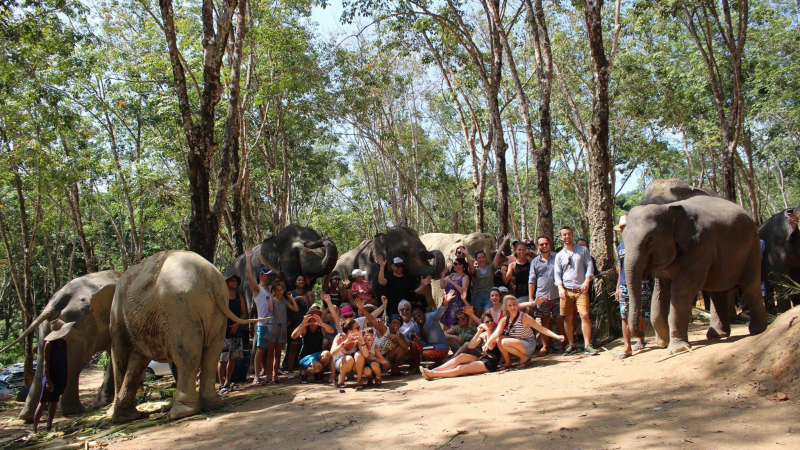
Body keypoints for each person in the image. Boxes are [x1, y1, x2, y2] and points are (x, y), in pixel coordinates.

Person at [554, 226, 598, 355]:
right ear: (561, 238)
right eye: (564, 235)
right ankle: (571, 344)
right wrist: (560, 288)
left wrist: (587, 281)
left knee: (584, 314)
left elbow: (589, 266)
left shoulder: (583, 250)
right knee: (567, 318)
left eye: (569, 234)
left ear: (572, 235)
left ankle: (587, 345)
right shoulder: (559, 255)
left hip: (581, 288)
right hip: (566, 290)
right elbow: (557, 273)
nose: (567, 237)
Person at [419, 312, 502, 380]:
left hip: (490, 362)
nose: (490, 323)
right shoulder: (483, 334)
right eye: (487, 322)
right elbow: (471, 346)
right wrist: (478, 332)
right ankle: (432, 371)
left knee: (461, 368)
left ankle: (433, 374)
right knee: (461, 356)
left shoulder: (495, 333)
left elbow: (491, 347)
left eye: (491, 320)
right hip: (481, 357)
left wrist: (487, 330)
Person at [614, 215, 652, 359]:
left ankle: (641, 339)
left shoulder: (641, 244)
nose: (624, 230)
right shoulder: (620, 247)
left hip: (642, 283)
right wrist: (618, 287)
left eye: (626, 227)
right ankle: (627, 346)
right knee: (624, 315)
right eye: (622, 228)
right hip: (624, 284)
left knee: (641, 313)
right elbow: (620, 267)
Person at [493, 296, 565, 368]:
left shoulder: (524, 317)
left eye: (514, 304)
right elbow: (496, 333)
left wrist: (557, 336)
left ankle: (524, 358)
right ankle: (508, 362)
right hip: (517, 342)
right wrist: (487, 344)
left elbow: (542, 329)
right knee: (499, 339)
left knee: (505, 342)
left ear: (517, 305)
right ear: (506, 308)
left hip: (528, 344)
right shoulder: (505, 319)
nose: (512, 307)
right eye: (510, 305)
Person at [352, 297, 409, 374]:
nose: (396, 325)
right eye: (394, 323)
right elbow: (371, 319)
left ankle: (394, 370)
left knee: (400, 350)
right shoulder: (384, 329)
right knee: (386, 364)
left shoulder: (400, 336)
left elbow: (406, 348)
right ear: (390, 323)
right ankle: (373, 371)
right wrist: (362, 308)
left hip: (385, 355)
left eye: (398, 323)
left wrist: (396, 337)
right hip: (373, 354)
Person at [528, 236, 564, 356]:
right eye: (541, 244)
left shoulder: (557, 257)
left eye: (546, 243)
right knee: (544, 321)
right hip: (542, 296)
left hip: (557, 294)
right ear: (538, 246)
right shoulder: (535, 262)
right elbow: (532, 280)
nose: (544, 246)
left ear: (549, 244)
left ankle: (564, 344)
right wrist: (531, 299)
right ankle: (546, 346)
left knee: (560, 320)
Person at [33, 319, 70, 433]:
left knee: (54, 401)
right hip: (50, 376)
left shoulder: (63, 343)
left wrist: (65, 378)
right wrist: (48, 381)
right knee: (43, 402)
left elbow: (65, 361)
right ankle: (34, 429)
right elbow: (45, 363)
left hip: (60, 375)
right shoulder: (49, 344)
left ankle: (49, 425)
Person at [245, 249, 274, 385]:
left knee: (270, 351)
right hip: (262, 324)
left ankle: (269, 375)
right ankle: (256, 377)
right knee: (260, 349)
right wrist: (248, 258)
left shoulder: (271, 289)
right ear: (261, 275)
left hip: (273, 323)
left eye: (269, 275)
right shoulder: (257, 289)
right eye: (267, 275)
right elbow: (249, 276)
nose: (269, 277)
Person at [411, 290, 458, 367]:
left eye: (419, 315)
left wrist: (445, 302)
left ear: (423, 313)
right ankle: (416, 367)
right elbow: (410, 333)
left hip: (440, 347)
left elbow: (440, 311)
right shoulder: (416, 325)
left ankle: (439, 363)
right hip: (427, 346)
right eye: (415, 318)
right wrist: (412, 335)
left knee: (425, 354)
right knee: (413, 343)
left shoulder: (431, 317)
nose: (418, 319)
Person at [291, 303, 335, 383]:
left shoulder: (321, 327)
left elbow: (331, 331)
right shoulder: (305, 327)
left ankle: (311, 372)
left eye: (317, 314)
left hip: (317, 355)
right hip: (306, 356)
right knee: (318, 367)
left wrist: (321, 323)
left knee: (327, 354)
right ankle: (307, 371)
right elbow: (293, 336)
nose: (314, 316)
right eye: (313, 314)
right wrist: (302, 324)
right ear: (309, 315)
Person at [218, 275, 247, 394]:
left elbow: (244, 313)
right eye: (232, 280)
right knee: (222, 359)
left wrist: (237, 325)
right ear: (227, 282)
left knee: (233, 358)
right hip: (223, 333)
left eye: (236, 281)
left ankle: (227, 382)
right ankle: (221, 384)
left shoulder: (239, 297)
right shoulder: (222, 296)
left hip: (237, 332)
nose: (234, 282)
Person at [330, 318, 371, 389]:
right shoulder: (339, 337)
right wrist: (345, 342)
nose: (360, 329)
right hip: (341, 365)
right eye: (358, 328)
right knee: (349, 359)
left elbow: (366, 355)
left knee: (359, 355)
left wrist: (362, 343)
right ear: (350, 332)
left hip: (354, 366)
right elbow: (332, 353)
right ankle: (341, 381)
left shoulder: (357, 338)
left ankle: (359, 381)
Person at [285, 275, 312, 379]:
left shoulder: (307, 293)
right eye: (299, 280)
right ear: (295, 282)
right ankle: (290, 371)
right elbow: (290, 305)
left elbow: (310, 307)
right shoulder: (291, 293)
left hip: (306, 323)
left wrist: (311, 297)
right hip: (294, 324)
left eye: (302, 280)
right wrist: (298, 298)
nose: (301, 281)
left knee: (305, 347)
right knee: (293, 347)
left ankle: (303, 371)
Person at [439, 257, 470, 328]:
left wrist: (451, 282)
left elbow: (463, 290)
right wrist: (443, 273)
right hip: (448, 304)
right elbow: (442, 286)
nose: (453, 265)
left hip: (458, 305)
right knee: (449, 324)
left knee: (456, 325)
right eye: (453, 264)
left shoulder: (465, 277)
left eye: (456, 264)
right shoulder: (451, 275)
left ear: (462, 265)